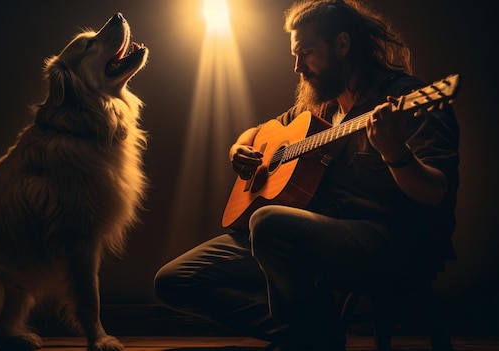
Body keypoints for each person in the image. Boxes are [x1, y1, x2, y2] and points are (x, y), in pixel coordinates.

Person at [154, 0, 460, 350]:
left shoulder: (404, 97)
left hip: (384, 238)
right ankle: (311, 334)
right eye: (294, 55)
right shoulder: (320, 106)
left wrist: (396, 155)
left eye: (307, 53)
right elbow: (259, 132)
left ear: (342, 45)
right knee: (175, 280)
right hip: (305, 234)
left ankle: (306, 338)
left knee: (268, 223)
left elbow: (436, 190)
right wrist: (237, 149)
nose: (298, 67)